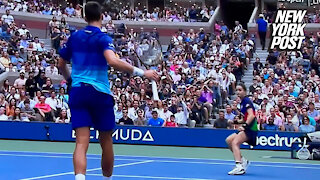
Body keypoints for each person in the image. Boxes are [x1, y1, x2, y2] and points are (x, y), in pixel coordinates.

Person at [58, 2, 158, 180]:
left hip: (78, 92)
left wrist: (70, 80)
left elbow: (61, 64)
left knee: (81, 142)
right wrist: (143, 72)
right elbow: (112, 61)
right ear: (102, 16)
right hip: (100, 93)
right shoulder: (104, 38)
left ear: (84, 17)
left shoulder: (74, 37)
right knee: (106, 141)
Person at [225, 83, 258, 175]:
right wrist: (235, 122)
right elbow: (244, 118)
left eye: (240, 90)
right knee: (229, 140)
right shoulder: (242, 103)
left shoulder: (247, 101)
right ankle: (243, 161)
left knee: (235, 142)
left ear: (245, 91)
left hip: (251, 128)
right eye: (237, 90)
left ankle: (239, 166)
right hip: (247, 127)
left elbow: (251, 115)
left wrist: (244, 126)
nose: (238, 92)